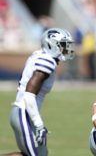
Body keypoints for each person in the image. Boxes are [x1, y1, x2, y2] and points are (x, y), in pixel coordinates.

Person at [8, 28, 75, 156]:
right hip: (24, 113)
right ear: (52, 44)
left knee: (41, 153)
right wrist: (39, 124)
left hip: (25, 113)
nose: (66, 49)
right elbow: (29, 94)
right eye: (63, 45)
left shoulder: (39, 55)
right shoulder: (47, 61)